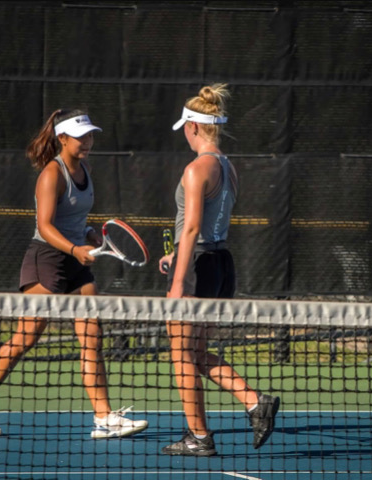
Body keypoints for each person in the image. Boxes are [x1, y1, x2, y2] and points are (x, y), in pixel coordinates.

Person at [0, 108, 148, 439]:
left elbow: (74, 217)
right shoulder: (51, 174)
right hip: (46, 258)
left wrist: (88, 234)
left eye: (90, 135)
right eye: (81, 136)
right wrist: (75, 249)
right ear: (63, 138)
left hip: (76, 261)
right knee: (26, 338)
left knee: (92, 338)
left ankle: (104, 417)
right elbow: (45, 226)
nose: (88, 142)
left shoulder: (85, 169)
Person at [159, 84, 280, 456]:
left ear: (193, 127)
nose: (183, 132)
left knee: (181, 355)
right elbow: (210, 227)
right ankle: (254, 402)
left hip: (196, 267)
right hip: (219, 265)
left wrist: (179, 279)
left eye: (185, 126)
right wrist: (177, 257)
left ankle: (198, 437)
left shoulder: (197, 168)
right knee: (195, 354)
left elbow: (193, 227)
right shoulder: (229, 167)